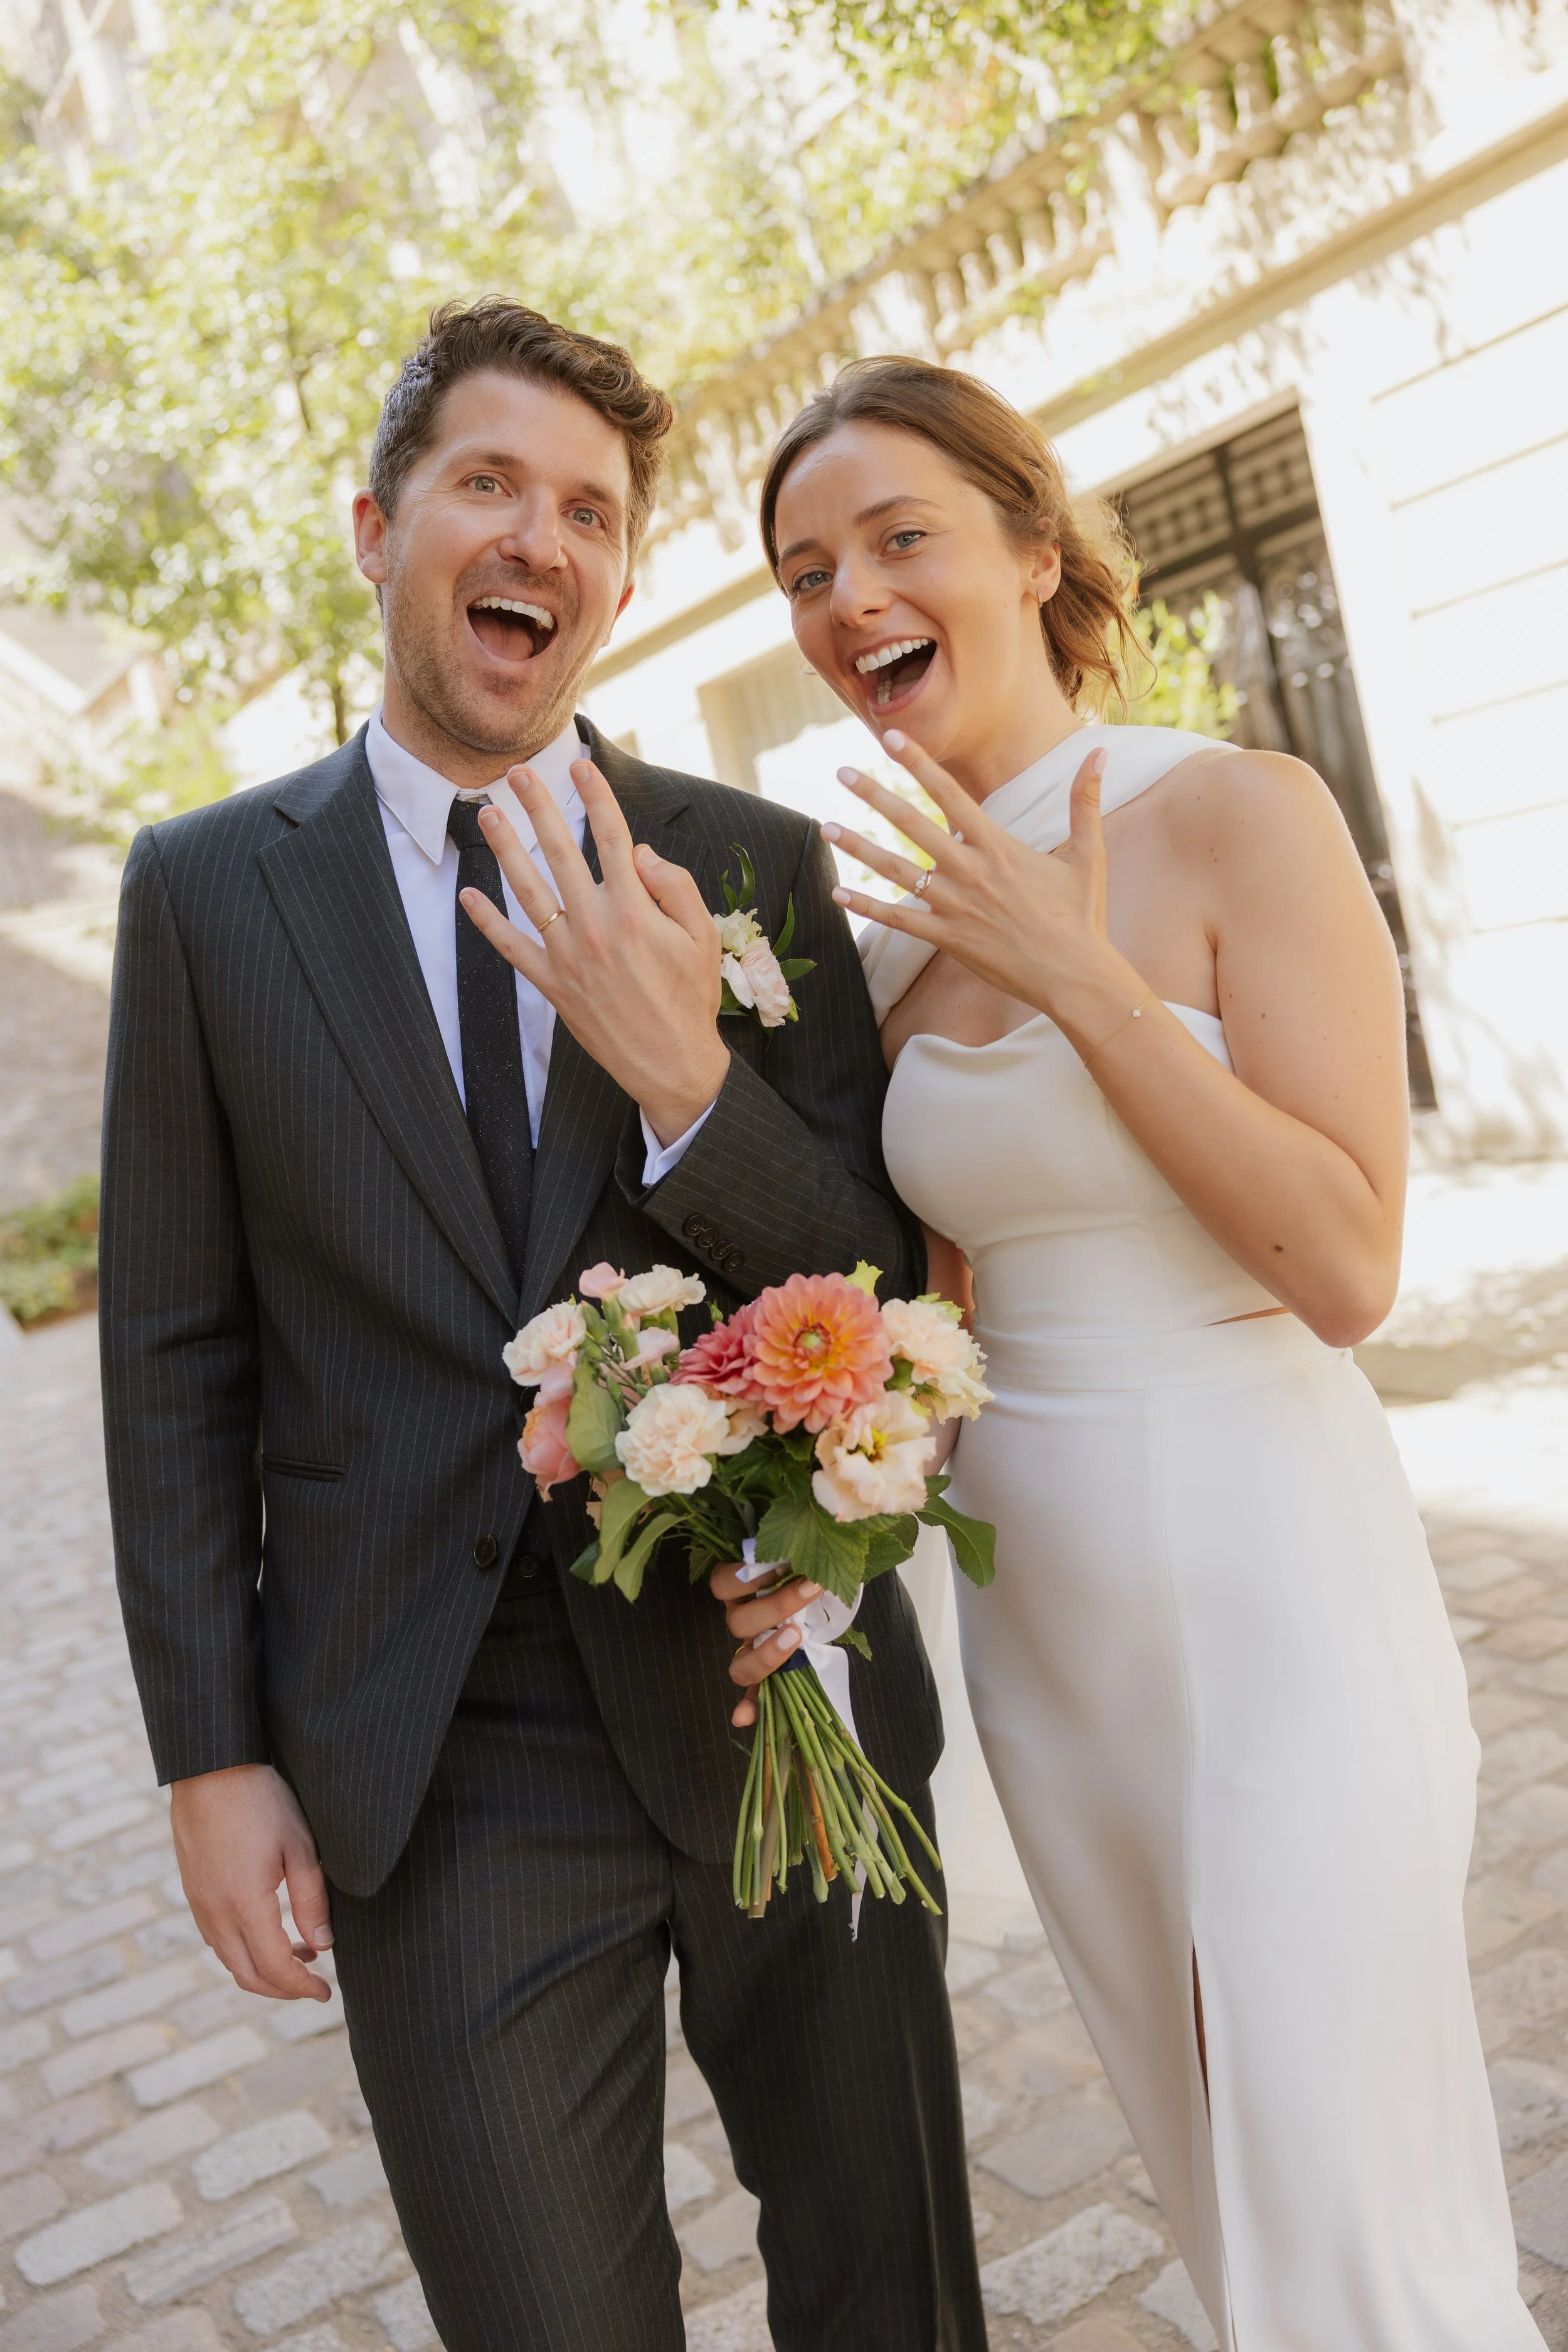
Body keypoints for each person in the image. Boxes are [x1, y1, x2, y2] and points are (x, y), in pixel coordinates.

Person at [99, 303, 985, 2352]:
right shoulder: (209, 893)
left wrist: (691, 1087)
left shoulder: (745, 862)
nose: (544, 537)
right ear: (376, 528)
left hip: (780, 1681)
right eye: (489, 483)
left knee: (891, 2293)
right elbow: (170, 1344)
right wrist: (209, 1754)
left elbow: (875, 1282)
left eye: (591, 507)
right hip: (437, 1747)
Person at [719, 354, 1544, 2350]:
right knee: (1205, 2151)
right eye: (805, 569)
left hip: (1278, 1571)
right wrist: (794, 1514)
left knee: (1336, 2154)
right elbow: (937, 1320)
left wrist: (1083, 978)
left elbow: (1346, 1261)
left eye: (896, 537)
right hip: (1047, 1618)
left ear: (1028, 547)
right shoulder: (885, 933)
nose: (847, 598)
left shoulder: (1237, 811)